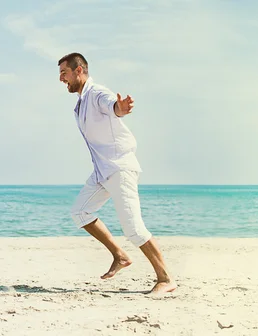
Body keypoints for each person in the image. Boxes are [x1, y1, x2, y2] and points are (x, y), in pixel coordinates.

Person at [58, 52, 177, 294]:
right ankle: (120, 255)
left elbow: (111, 105)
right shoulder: (80, 103)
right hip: (102, 171)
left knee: (133, 228)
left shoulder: (97, 93)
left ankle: (165, 279)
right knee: (80, 212)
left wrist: (119, 108)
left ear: (79, 70)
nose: (62, 79)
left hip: (119, 168)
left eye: (64, 73)